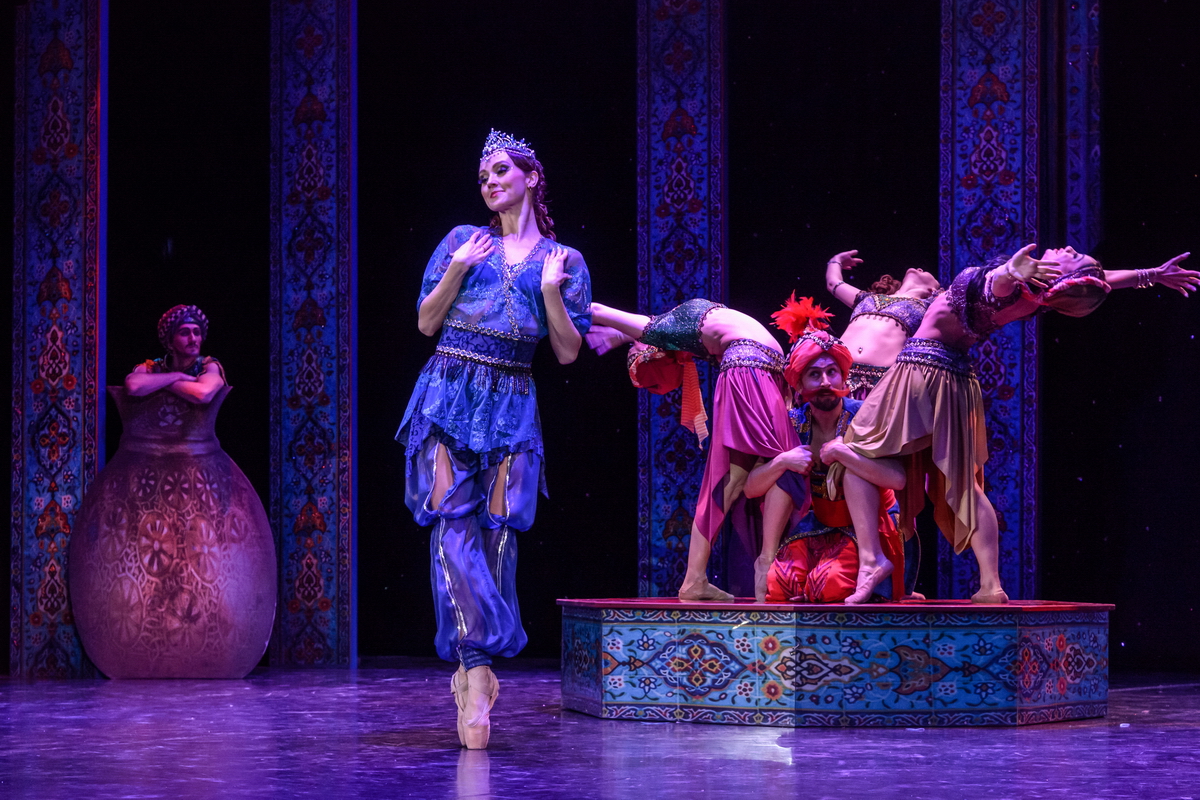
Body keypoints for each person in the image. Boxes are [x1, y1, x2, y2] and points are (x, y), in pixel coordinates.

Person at [828, 243, 1197, 605]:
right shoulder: (1042, 295)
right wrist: (1150, 275)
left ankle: (873, 560)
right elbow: (1098, 279)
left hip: (920, 371)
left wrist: (1009, 271)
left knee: (852, 453)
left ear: (1065, 277)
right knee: (966, 486)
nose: (1068, 247)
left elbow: (998, 285)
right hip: (956, 377)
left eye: (1073, 257)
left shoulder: (1018, 285)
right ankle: (990, 584)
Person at [394, 129, 591, 749]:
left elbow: (567, 351)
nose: (490, 182)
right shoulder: (463, 240)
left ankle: (472, 666)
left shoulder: (564, 260)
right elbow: (426, 322)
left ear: (531, 176)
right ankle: (477, 672)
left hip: (511, 397)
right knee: (451, 524)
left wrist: (552, 291)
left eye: (501, 170)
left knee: (498, 531)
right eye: (483, 176)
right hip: (449, 388)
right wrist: (456, 269)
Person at [588, 300, 805, 602]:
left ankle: (727, 572)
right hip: (751, 373)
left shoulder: (681, 321)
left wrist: (607, 326)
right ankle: (756, 566)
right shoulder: (684, 323)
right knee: (761, 472)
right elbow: (621, 318)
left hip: (757, 373)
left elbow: (604, 312)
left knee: (759, 473)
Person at [742, 299, 906, 603]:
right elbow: (752, 488)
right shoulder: (792, 422)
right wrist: (782, 461)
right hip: (820, 523)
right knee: (782, 586)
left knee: (828, 587)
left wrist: (845, 455)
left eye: (832, 372)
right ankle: (765, 560)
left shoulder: (864, 415)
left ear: (844, 376)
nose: (826, 382)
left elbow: (897, 479)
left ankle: (871, 563)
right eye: (815, 375)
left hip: (870, 527)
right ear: (800, 383)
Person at [824, 251, 942, 399]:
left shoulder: (930, 307)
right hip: (839, 378)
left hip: (881, 387)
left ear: (933, 290)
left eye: (926, 272)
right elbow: (833, 283)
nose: (919, 269)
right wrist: (836, 260)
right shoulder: (867, 298)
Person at [125, 304, 226, 403]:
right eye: (184, 333)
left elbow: (203, 393)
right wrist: (178, 376)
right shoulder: (154, 367)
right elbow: (133, 385)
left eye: (196, 333)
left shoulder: (207, 366)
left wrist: (160, 383)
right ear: (170, 343)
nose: (193, 339)